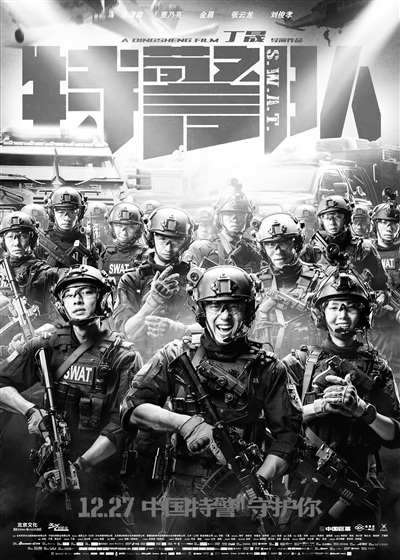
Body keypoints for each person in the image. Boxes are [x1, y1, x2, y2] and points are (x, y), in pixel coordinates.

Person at [120, 265, 302, 539]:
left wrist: (260, 480)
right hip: (183, 494)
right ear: (202, 311)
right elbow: (132, 408)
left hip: (240, 494)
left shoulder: (268, 368)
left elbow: (288, 438)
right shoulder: (175, 355)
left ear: (248, 311)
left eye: (234, 306)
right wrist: (185, 424)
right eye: (215, 306)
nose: (225, 316)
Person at [0, 265, 142, 558]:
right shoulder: (46, 345)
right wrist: (31, 412)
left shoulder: (123, 355)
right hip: (52, 475)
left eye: (86, 292)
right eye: (69, 294)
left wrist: (79, 467)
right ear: (60, 303)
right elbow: (2, 383)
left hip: (103, 481)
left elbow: (122, 424)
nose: (77, 300)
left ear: (103, 299)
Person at [281, 260, 400, 545]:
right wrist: (319, 407)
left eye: (351, 307)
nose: (342, 315)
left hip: (359, 486)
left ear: (364, 314)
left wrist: (361, 410)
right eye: (334, 307)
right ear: (321, 313)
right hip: (305, 486)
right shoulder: (299, 363)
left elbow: (396, 435)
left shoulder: (378, 368)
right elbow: (273, 424)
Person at [114, 206, 197, 359]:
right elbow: (126, 333)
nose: (168, 247)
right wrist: (154, 301)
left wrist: (178, 330)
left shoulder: (196, 278)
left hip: (185, 358)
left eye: (176, 240)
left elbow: (214, 329)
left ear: (186, 242)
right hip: (141, 360)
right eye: (162, 238)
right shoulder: (133, 279)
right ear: (151, 238)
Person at [254, 213, 322, 356]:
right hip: (267, 359)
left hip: (309, 360)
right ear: (262, 248)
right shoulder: (256, 283)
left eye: (284, 243)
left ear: (297, 244)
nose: (278, 251)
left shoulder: (319, 280)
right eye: (271, 244)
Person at [301, 195, 388, 293]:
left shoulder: (364, 249)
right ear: (321, 221)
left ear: (346, 219)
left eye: (337, 217)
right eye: (327, 218)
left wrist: (381, 295)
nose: (332, 222)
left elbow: (381, 286)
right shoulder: (313, 249)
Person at [0, 211, 59, 348]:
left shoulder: (45, 274)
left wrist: (46, 330)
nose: (16, 243)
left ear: (32, 240)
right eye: (10, 237)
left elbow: (59, 321)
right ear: (3, 241)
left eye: (23, 236)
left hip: (34, 343)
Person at [184, 179, 262, 273]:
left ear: (247, 219)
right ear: (219, 218)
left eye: (240, 215)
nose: (235, 219)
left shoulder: (255, 249)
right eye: (228, 214)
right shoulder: (201, 248)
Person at [369, 190, 400, 386]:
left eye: (394, 223)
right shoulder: (365, 253)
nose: (389, 227)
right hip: (374, 326)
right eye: (384, 223)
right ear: (375, 225)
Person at [38, 186, 109, 270]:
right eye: (61, 212)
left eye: (72, 212)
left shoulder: (93, 243)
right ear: (51, 213)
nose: (67, 218)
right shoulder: (41, 243)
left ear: (80, 214)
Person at [104, 202, 147, 284]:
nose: (124, 232)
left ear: (138, 229)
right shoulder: (105, 254)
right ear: (111, 227)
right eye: (119, 226)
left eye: (130, 227)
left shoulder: (146, 254)